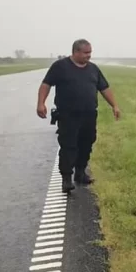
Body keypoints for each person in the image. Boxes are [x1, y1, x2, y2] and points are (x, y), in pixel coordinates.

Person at [37, 39, 121, 193]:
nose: (89, 56)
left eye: (90, 52)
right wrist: (41, 103)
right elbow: (46, 84)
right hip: (68, 115)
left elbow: (104, 88)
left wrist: (114, 105)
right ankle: (67, 179)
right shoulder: (60, 67)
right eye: (86, 53)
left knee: (86, 143)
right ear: (75, 52)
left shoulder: (93, 69)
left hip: (89, 114)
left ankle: (80, 173)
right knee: (69, 145)